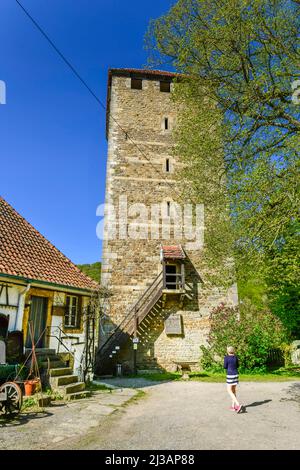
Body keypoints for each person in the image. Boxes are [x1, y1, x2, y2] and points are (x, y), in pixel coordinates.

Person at [224, 346, 243, 413]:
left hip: (230, 374)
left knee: (229, 390)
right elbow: (238, 366)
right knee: (233, 390)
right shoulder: (236, 357)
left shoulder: (226, 358)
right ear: (233, 351)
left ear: (227, 351)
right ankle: (233, 406)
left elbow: (225, 366)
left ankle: (237, 404)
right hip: (236, 374)